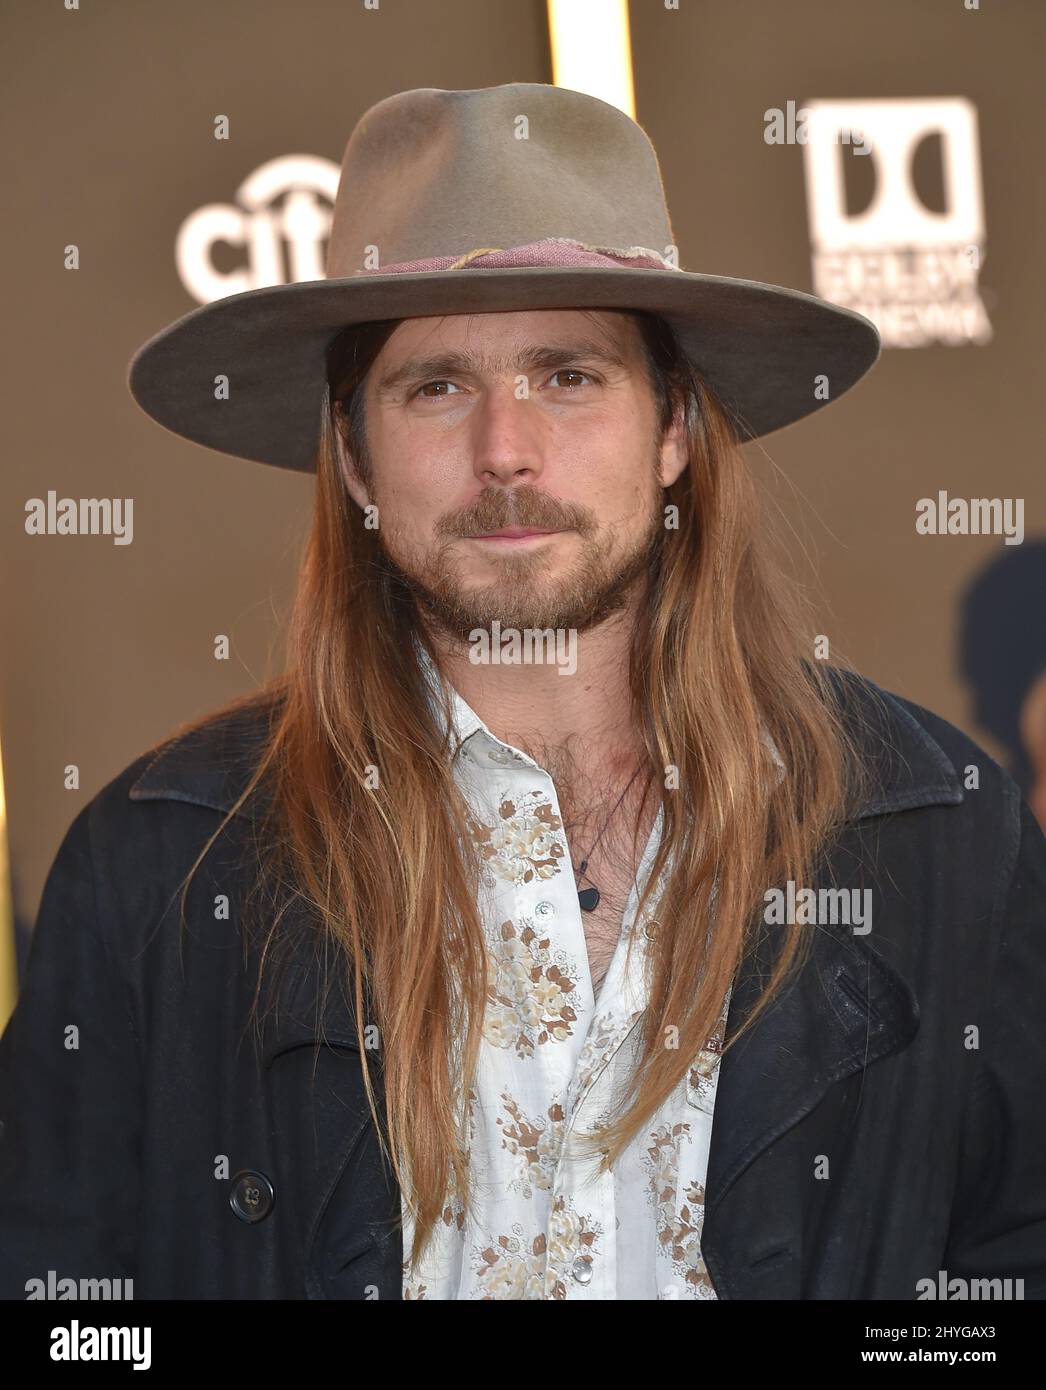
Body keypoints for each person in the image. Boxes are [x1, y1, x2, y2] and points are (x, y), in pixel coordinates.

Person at [1, 83, 1044, 1301]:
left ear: (673, 432)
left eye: (568, 375)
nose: (504, 448)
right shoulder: (163, 864)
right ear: (351, 459)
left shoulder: (935, 831)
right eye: (435, 384)